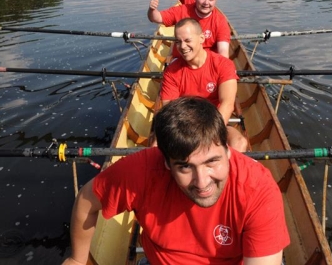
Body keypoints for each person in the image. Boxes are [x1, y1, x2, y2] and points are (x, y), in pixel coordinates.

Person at [62, 97, 290, 265]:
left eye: (212, 162)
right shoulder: (142, 169)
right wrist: (77, 260)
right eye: (185, 166)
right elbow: (86, 200)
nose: (202, 183)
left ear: (229, 152)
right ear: (166, 164)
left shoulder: (258, 188)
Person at [161, 18, 247, 152]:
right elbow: (168, 110)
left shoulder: (223, 65)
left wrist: (208, 134)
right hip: (185, 126)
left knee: (240, 142)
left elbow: (227, 104)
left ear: (201, 38)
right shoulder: (171, 71)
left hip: (215, 121)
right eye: (178, 42)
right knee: (157, 145)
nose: (182, 47)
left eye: (187, 41)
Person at [147, 0, 230, 58]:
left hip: (207, 62)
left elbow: (223, 51)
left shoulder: (220, 20)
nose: (206, 3)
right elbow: (156, 18)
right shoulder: (182, 10)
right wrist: (152, 9)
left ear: (215, 0)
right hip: (181, 58)